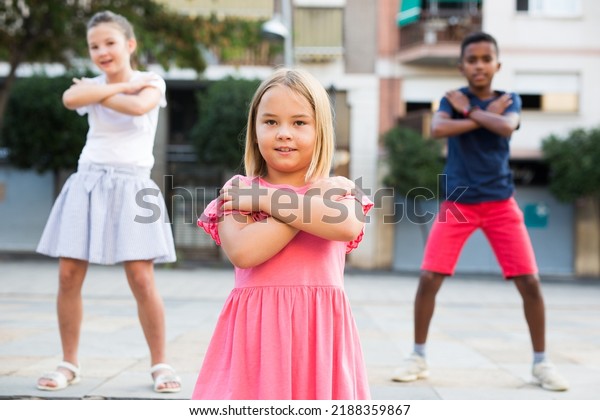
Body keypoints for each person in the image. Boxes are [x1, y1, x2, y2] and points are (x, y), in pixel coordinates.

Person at [391, 32, 569, 392]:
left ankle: (541, 363)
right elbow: (439, 128)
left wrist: (471, 111)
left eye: (486, 59)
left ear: (497, 65)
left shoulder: (510, 99)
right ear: (461, 66)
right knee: (428, 278)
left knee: (530, 282)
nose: (479, 65)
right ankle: (418, 356)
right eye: (472, 60)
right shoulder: (448, 100)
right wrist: (483, 116)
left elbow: (506, 126)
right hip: (458, 203)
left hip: (501, 203)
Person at [193, 68, 372, 399]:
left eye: (299, 123)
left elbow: (346, 225)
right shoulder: (238, 189)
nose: (284, 133)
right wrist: (310, 202)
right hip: (259, 338)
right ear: (254, 130)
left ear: (321, 131)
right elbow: (245, 252)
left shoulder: (336, 191)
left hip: (319, 336)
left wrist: (267, 200)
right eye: (271, 122)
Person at [36, 10, 180, 393]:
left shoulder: (152, 82)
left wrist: (99, 90)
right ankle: (69, 363)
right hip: (88, 182)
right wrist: (115, 88)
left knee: (141, 277)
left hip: (133, 185)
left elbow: (138, 107)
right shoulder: (117, 85)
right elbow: (71, 98)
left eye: (109, 43)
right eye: (94, 46)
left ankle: (160, 365)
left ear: (129, 45)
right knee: (68, 274)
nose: (102, 51)